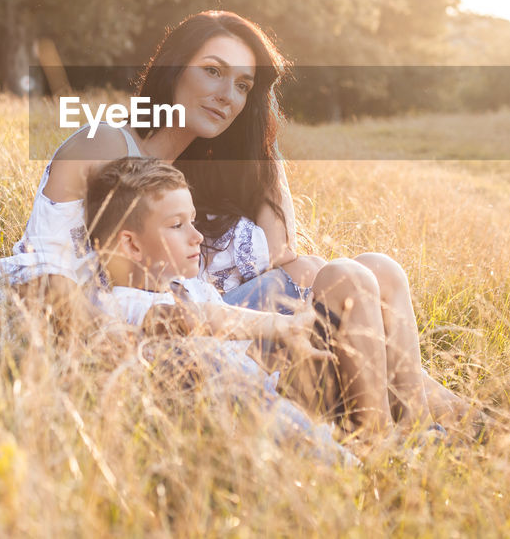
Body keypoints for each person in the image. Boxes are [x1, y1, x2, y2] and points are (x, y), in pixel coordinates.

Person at [0, 11, 469, 430]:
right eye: (212, 71)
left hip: (218, 326)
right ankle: (404, 427)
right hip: (145, 334)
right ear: (174, 70)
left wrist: (262, 143)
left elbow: (285, 258)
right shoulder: (107, 144)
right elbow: (44, 270)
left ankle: (423, 412)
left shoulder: (198, 176)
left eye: (243, 86)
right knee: (350, 276)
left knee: (375, 268)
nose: (227, 95)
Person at [87, 155, 452, 436]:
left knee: (378, 266)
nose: (197, 236)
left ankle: (418, 425)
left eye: (193, 221)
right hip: (267, 406)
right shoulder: (124, 304)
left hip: (279, 378)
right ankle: (378, 439)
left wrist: (294, 342)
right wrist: (282, 327)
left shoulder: (190, 286)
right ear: (131, 245)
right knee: (346, 277)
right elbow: (188, 319)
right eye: (177, 226)